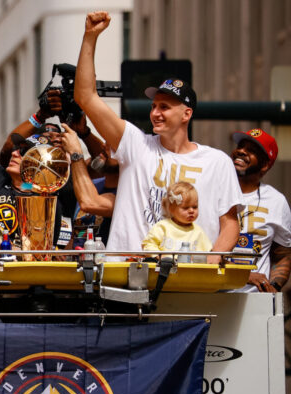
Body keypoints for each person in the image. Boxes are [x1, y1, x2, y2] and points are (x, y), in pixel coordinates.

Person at [74, 11, 242, 262]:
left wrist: (210, 263)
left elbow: (230, 223)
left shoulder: (217, 162)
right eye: (154, 106)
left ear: (186, 114)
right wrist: (90, 37)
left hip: (191, 285)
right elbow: (86, 97)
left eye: (164, 107)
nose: (155, 113)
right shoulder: (135, 144)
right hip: (129, 281)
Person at [0, 42, 64, 249]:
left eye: (25, 152)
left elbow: (46, 252)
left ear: (38, 164)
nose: (16, 153)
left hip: (24, 279)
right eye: (19, 148)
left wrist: (9, 249)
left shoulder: (46, 198)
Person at [231, 128, 291, 292]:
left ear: (264, 165)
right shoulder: (214, 190)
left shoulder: (276, 201)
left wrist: (273, 285)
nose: (241, 151)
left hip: (255, 302)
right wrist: (244, 275)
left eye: (251, 150)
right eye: (241, 146)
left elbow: (282, 254)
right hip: (210, 297)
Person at [141, 182, 212, 259]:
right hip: (165, 269)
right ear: (171, 209)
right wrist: (159, 256)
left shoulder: (199, 232)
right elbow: (148, 244)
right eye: (185, 208)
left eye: (195, 207)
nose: (191, 211)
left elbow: (209, 253)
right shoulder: (163, 227)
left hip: (190, 270)